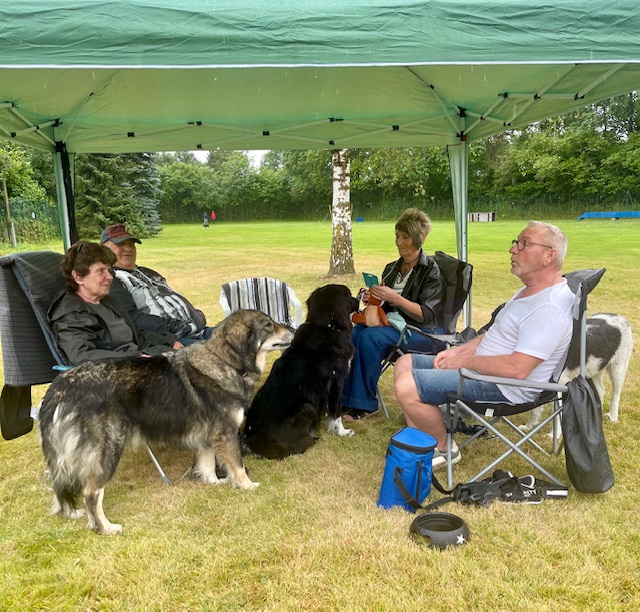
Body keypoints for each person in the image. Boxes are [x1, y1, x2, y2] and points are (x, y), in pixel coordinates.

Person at [394, 221, 574, 469]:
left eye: (524, 244)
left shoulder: (549, 307)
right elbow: (494, 335)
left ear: (549, 256)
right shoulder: (531, 292)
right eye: (516, 243)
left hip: (505, 387)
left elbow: (518, 369)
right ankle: (424, 435)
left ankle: (444, 449)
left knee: (407, 386)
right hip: (486, 371)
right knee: (405, 362)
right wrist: (459, 351)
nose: (513, 249)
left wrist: (463, 361)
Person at [341, 208, 446, 420]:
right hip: (392, 324)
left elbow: (426, 315)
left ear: (419, 238)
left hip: (421, 331)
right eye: (397, 236)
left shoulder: (431, 272)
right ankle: (344, 399)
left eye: (405, 237)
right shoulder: (391, 268)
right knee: (353, 334)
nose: (399, 242)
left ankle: (365, 404)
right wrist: (373, 298)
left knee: (370, 337)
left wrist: (395, 298)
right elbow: (385, 305)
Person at [49, 241, 182, 365]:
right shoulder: (71, 314)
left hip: (139, 360)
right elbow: (82, 355)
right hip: (115, 372)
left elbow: (136, 333)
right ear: (78, 276)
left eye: (109, 270)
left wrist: (169, 342)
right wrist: (136, 359)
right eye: (101, 271)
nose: (110, 277)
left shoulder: (107, 302)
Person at [100, 223, 214, 344]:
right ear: (103, 249)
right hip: (172, 340)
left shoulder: (146, 272)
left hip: (199, 331)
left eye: (131, 244)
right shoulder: (110, 279)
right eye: (121, 244)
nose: (128, 248)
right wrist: (178, 328)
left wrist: (196, 315)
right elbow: (131, 318)